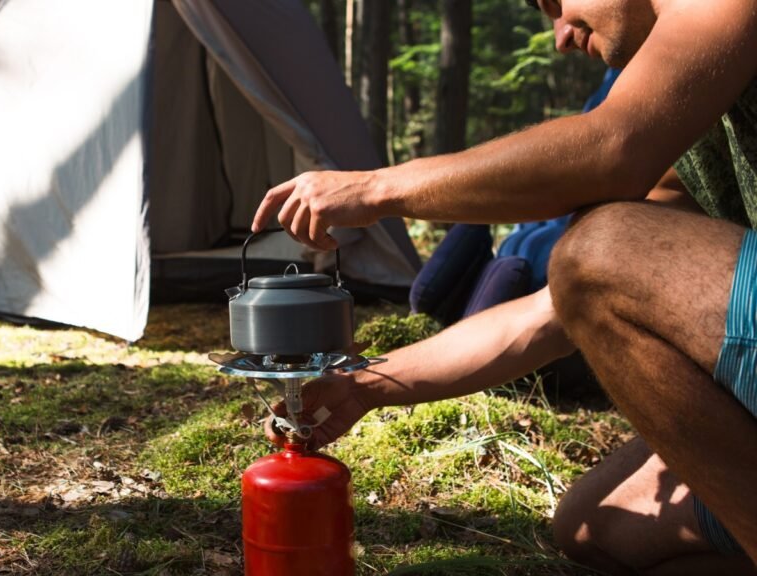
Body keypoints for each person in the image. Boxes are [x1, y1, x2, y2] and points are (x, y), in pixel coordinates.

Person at [252, 0, 757, 574]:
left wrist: (376, 188)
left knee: (599, 247)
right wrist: (363, 387)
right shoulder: (692, 137)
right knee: (597, 526)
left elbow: (614, 149)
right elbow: (553, 312)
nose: (561, 37)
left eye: (553, 3)